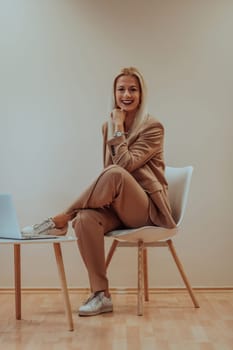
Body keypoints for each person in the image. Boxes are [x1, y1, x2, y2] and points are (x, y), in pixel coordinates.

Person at [22, 67, 176, 316]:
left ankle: (61, 218)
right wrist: (114, 127)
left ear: (141, 94)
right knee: (85, 219)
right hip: (119, 205)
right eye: (121, 89)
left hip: (146, 210)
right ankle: (101, 294)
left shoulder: (152, 127)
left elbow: (122, 166)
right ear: (114, 93)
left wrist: (118, 128)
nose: (126, 94)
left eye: (132, 89)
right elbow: (109, 171)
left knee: (116, 173)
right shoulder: (107, 126)